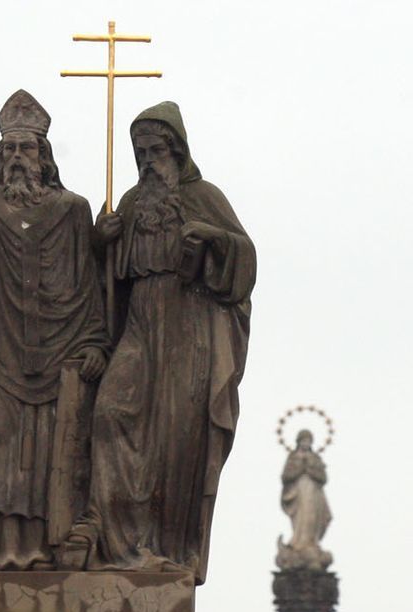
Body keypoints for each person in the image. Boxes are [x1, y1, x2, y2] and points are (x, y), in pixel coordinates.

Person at [64, 101, 255, 582]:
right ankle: (107, 531)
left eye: (156, 150)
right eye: (140, 152)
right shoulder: (129, 204)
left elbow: (244, 259)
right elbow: (103, 284)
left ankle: (160, 546)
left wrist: (211, 237)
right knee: (111, 414)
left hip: (187, 330)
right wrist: (98, 243)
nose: (148, 161)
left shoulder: (204, 195)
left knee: (173, 439)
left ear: (177, 150)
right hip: (139, 323)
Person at [0, 89, 109, 570]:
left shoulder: (73, 211)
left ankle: (36, 550)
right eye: (9, 150)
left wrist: (95, 340)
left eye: (27, 149)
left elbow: (90, 283)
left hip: (59, 350)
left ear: (45, 157)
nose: (18, 158)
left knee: (41, 456)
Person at [276, 429, 333, 570]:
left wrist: (310, 468)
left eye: (308, 441)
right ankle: (298, 543)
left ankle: (311, 543)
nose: (306, 443)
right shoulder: (293, 457)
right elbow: (286, 476)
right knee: (303, 517)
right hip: (299, 492)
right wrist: (301, 467)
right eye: (303, 440)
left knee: (312, 518)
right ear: (298, 441)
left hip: (314, 494)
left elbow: (323, 478)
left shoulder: (315, 459)